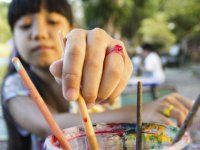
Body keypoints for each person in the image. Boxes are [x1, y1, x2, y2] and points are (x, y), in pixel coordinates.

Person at [0, 0, 194, 150]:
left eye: (52, 21)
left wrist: (110, 58)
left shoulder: (92, 75)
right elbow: (50, 126)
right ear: (13, 36)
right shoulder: (15, 85)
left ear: (72, 29)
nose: (38, 33)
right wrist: (139, 114)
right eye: (25, 26)